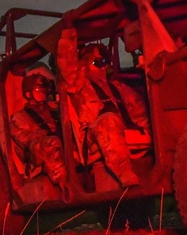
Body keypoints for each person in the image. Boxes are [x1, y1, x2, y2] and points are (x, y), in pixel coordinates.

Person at [57, 27, 146, 187]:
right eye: (99, 62)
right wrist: (68, 34)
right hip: (94, 133)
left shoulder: (117, 87)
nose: (104, 66)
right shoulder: (80, 85)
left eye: (106, 61)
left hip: (119, 131)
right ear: (84, 65)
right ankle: (125, 174)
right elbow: (67, 65)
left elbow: (140, 112)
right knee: (108, 120)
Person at [9, 64, 69, 191]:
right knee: (51, 143)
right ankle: (65, 184)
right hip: (35, 160)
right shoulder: (19, 117)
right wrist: (41, 135)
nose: (43, 93)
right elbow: (24, 139)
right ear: (28, 93)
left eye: (44, 90)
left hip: (56, 150)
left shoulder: (53, 110)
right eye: (38, 90)